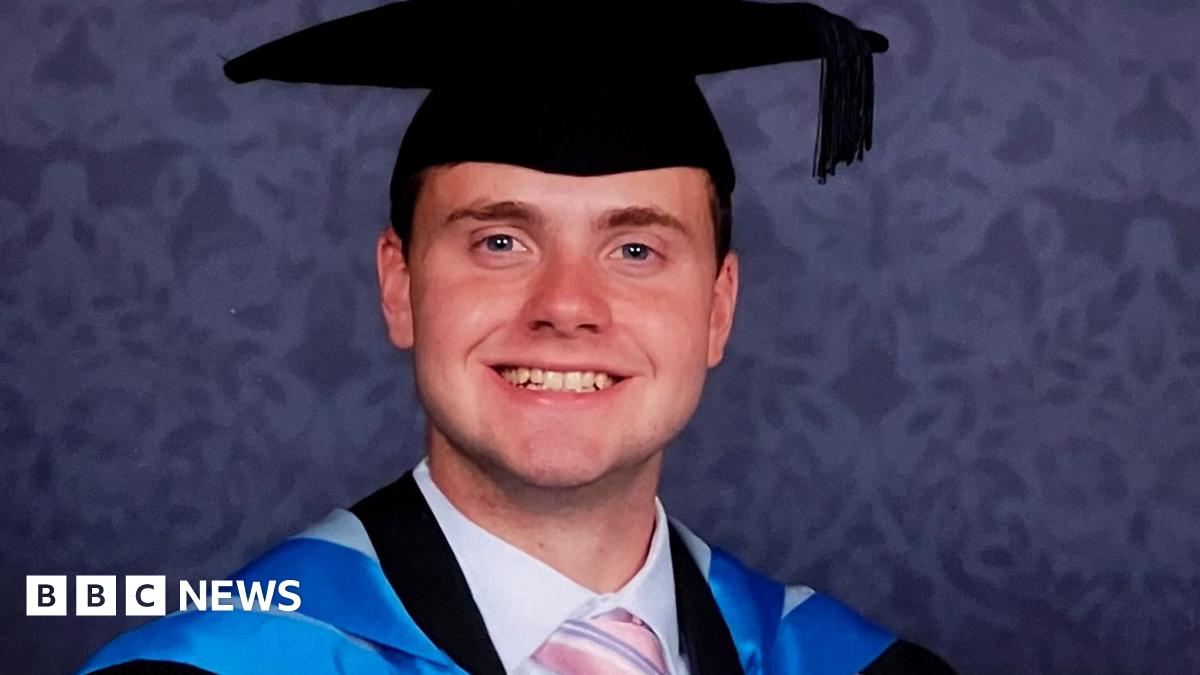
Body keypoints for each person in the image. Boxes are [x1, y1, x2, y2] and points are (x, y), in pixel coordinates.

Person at [82, 1, 955, 673]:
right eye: (501, 241)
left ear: (718, 308)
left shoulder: (848, 664)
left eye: (636, 247)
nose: (567, 305)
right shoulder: (226, 662)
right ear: (401, 286)